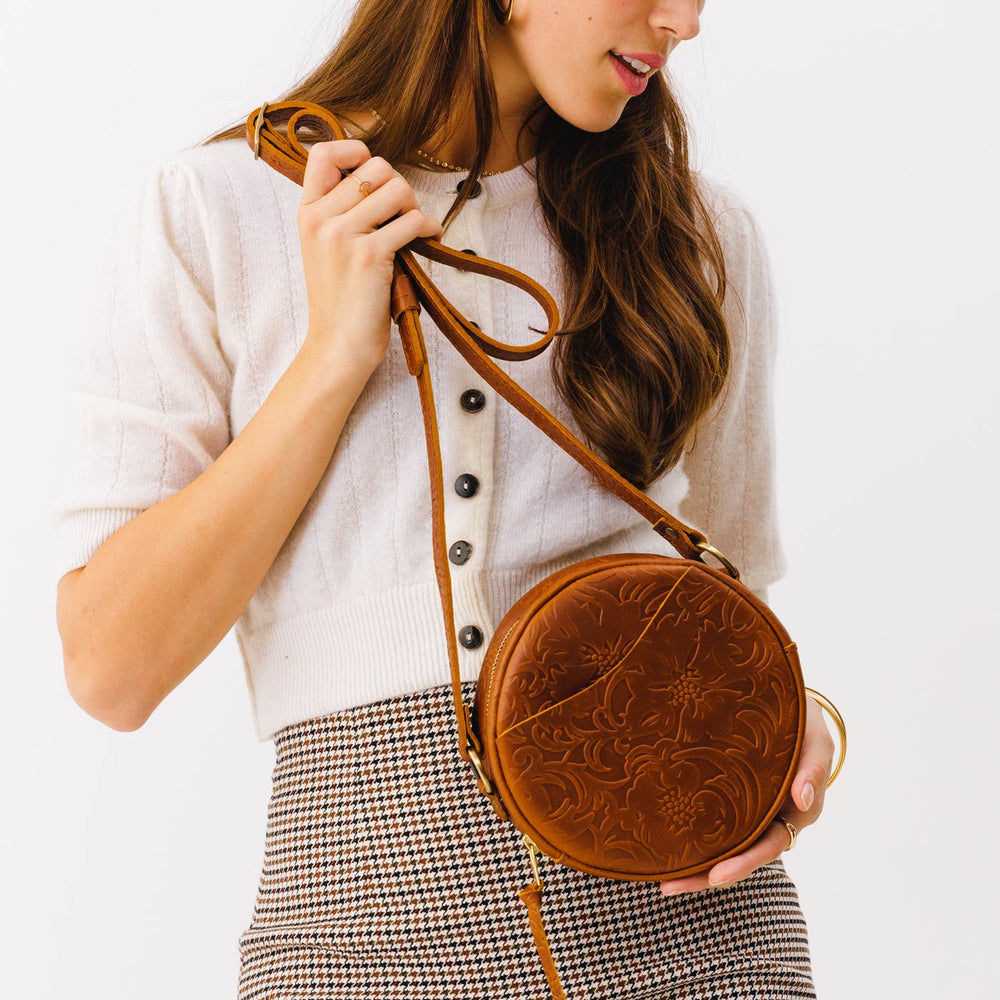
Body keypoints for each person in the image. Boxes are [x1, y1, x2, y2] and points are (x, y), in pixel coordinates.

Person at [54, 0, 838, 997]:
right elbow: (111, 668)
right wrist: (333, 359)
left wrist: (793, 731)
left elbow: (731, 593)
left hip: (694, 926)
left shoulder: (697, 234)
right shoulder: (217, 210)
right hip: (354, 934)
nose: (683, 20)